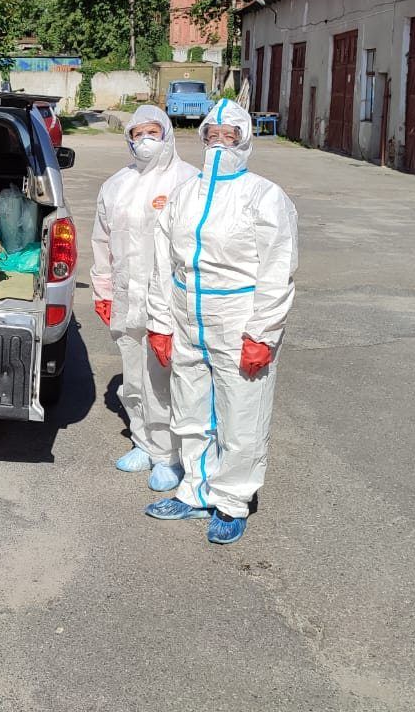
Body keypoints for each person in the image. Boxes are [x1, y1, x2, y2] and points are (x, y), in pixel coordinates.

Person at [142, 99, 297, 544]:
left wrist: (262, 333)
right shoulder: (184, 194)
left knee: (240, 413)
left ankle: (231, 500)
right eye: (212, 136)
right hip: (187, 311)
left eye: (230, 137)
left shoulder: (265, 197)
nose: (219, 144)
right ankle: (194, 489)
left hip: (238, 317)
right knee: (189, 407)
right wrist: (160, 322)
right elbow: (161, 263)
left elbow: (278, 268)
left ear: (245, 142)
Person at [90, 105, 197, 491]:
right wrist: (102, 289)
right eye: (138, 133)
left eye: (153, 131)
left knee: (167, 380)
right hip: (126, 295)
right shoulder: (116, 184)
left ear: (167, 134)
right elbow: (103, 241)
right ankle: (144, 443)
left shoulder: (188, 181)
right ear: (129, 139)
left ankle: (171, 456)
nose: (146, 140)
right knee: (133, 377)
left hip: (169, 301)